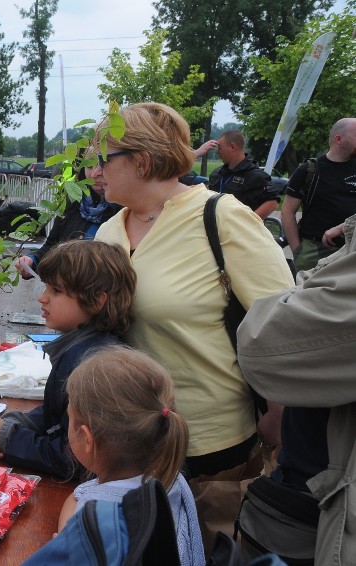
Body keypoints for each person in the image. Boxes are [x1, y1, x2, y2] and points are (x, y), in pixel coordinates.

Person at [91, 102, 294, 550]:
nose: (93, 171)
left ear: (141, 161)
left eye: (102, 159)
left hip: (210, 449)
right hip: (129, 443)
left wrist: (279, 415)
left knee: (209, 552)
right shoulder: (108, 232)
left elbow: (284, 326)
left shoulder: (220, 218)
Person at [237, 212, 356, 566]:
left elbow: (262, 343)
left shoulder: (227, 215)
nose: (99, 171)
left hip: (319, 509)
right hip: (308, 493)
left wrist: (302, 291)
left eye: (106, 158)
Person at [0, 239, 136, 479]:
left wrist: (10, 438)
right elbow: (57, 413)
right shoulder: (82, 348)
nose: (42, 298)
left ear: (97, 301)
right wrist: (18, 423)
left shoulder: (94, 370)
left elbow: (78, 459)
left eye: (56, 291)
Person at [57, 346, 205, 566]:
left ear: (87, 439)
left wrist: (67, 546)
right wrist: (68, 537)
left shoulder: (102, 525)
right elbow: (80, 495)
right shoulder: (169, 477)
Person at [14, 157, 121, 278]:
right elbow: (51, 248)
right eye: (89, 166)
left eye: (103, 165)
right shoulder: (73, 204)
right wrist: (32, 261)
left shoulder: (126, 212)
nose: (94, 173)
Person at [281, 117, 356, 271]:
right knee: (307, 294)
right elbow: (287, 211)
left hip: (352, 247)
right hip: (314, 251)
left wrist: (342, 228)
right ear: (338, 139)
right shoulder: (309, 170)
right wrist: (298, 251)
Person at [206, 130, 279, 219]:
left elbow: (272, 203)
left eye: (220, 148)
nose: (217, 152)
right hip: (216, 229)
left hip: (239, 231)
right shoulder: (217, 173)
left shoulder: (256, 176)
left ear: (232, 147)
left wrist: (247, 223)